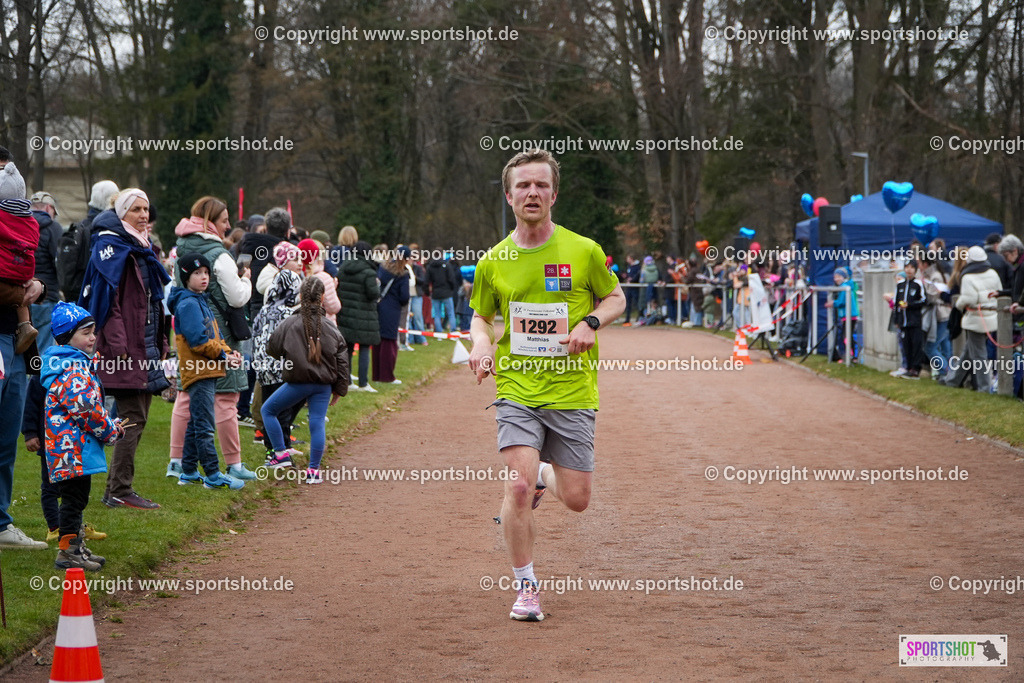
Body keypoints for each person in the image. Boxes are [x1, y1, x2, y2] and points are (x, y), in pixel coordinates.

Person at [468, 149, 625, 622]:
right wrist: (481, 347)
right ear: (509, 195)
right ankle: (527, 588)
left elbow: (616, 296)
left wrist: (591, 323)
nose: (531, 192)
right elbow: (481, 317)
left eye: (540, 185)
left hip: (573, 391)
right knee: (516, 486)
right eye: (523, 185)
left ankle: (544, 475)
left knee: (578, 500)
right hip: (517, 388)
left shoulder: (584, 250)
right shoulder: (494, 262)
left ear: (554, 194)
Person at [79, 188, 170, 510]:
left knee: (137, 416)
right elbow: (108, 302)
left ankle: (117, 487)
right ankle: (118, 489)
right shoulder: (112, 246)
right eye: (136, 210)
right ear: (122, 214)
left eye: (146, 209)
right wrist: (118, 348)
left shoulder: (141, 248)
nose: (144, 216)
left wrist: (159, 343)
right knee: (132, 416)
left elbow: (153, 304)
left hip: (143, 346)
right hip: (126, 349)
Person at [167, 197, 256, 481]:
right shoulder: (219, 254)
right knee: (228, 399)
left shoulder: (180, 247)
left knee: (185, 396)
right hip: (217, 335)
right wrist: (247, 280)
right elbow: (237, 296)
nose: (228, 225)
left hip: (185, 333)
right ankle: (233, 463)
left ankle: (177, 462)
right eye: (224, 220)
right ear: (209, 221)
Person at [41, 302, 124, 570]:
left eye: (93, 332)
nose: (92, 338)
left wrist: (110, 423)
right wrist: (110, 430)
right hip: (71, 451)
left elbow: (91, 409)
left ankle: (77, 548)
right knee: (73, 501)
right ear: (66, 337)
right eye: (85, 333)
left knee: (77, 500)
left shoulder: (75, 365)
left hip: (73, 449)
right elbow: (86, 412)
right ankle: (67, 552)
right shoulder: (73, 370)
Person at [0, 156, 49, 549]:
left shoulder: (17, 221)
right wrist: (22, 291)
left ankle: (1, 523)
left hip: (15, 339)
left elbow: (28, 269)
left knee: (6, 437)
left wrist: (37, 288)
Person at [168, 253, 245, 489]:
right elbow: (198, 342)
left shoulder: (201, 300)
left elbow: (216, 336)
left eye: (206, 273)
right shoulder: (188, 303)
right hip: (198, 371)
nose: (203, 277)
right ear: (185, 276)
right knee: (204, 426)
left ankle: (189, 471)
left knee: (195, 422)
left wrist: (228, 352)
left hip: (208, 370)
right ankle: (212, 475)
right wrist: (222, 355)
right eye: (197, 273)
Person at [262, 277, 349, 478]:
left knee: (268, 410)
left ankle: (280, 454)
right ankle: (313, 471)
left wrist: (290, 356)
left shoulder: (289, 323)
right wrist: (339, 389)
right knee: (317, 423)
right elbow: (342, 361)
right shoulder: (331, 328)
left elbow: (272, 348)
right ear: (323, 297)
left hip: (297, 382)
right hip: (323, 385)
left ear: (301, 296)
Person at [251, 243, 304, 455]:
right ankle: (282, 447)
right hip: (281, 367)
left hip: (263, 368)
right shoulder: (286, 313)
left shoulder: (264, 310)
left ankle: (271, 447)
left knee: (269, 408)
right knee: (282, 409)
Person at [944, 246, 1001, 391]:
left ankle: (984, 387)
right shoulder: (993, 273)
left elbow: (969, 298)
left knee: (979, 355)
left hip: (976, 319)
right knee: (969, 352)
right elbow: (999, 292)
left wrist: (958, 304)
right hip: (991, 317)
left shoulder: (968, 277)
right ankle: (953, 380)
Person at [337, 240, 380, 392]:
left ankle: (347, 381)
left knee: (347, 348)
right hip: (364, 314)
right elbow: (373, 293)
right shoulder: (369, 271)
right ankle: (363, 383)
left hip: (346, 313)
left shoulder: (343, 268)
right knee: (364, 348)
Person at [29, 191, 63, 351]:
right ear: (49, 208)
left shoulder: (21, 224)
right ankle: (40, 376)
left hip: (20, 297)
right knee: (43, 349)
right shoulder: (53, 227)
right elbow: (59, 261)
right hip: (46, 296)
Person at [374, 246, 411, 384]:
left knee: (378, 343)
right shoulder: (403, 274)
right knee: (389, 343)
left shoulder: (383, 268)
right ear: (406, 259)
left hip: (379, 306)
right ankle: (387, 376)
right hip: (392, 309)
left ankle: (377, 376)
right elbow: (404, 296)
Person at [891, 260, 927, 379]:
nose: (909, 270)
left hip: (915, 321)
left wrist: (910, 305)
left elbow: (924, 301)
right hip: (903, 322)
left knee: (916, 345)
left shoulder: (918, 284)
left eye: (912, 267)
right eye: (907, 267)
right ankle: (908, 367)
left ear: (915, 270)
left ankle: (916, 369)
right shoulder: (900, 285)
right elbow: (896, 305)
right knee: (906, 346)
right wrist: (896, 320)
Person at [298, 238, 341, 325]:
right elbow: (334, 308)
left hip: (302, 326)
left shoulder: (298, 276)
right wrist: (332, 289)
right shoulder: (324, 278)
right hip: (324, 325)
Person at [426, 250, 460, 333]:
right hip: (447, 293)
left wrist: (428, 291)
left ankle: (439, 333)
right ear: (441, 254)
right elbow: (452, 279)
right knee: (451, 313)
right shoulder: (447, 265)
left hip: (435, 293)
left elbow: (426, 281)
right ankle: (453, 331)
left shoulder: (430, 266)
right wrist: (451, 289)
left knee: (437, 314)